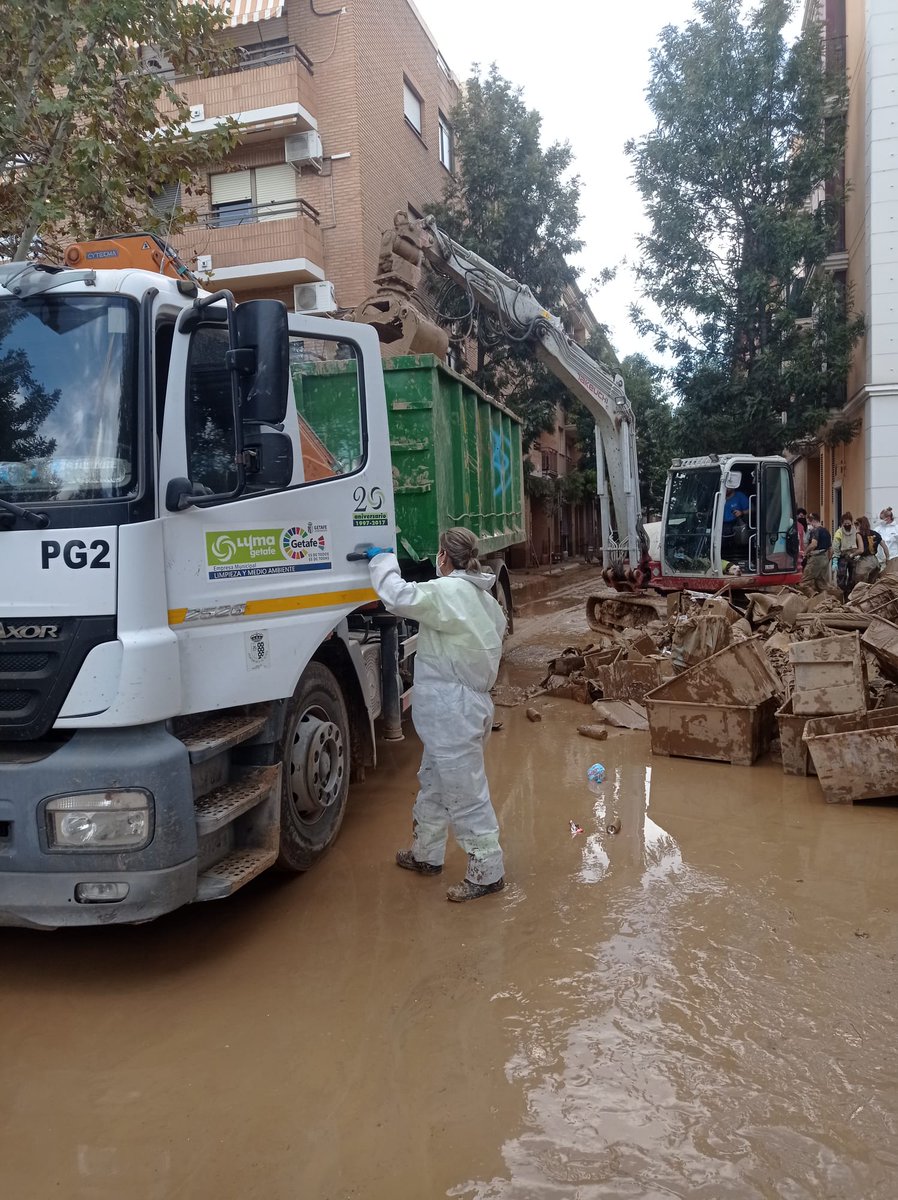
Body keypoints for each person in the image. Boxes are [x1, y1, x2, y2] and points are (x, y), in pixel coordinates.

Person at [366, 528, 507, 903]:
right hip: (468, 706)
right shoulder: (485, 600)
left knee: (465, 792)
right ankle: (425, 853)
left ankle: (487, 870)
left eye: (438, 553)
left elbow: (398, 597)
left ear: (444, 556)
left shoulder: (449, 593)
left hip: (452, 710)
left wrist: (381, 562)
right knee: (435, 782)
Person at [800, 513, 832, 593]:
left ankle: (812, 599)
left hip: (815, 559)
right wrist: (827, 559)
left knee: (803, 582)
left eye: (809, 523)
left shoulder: (815, 531)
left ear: (813, 520)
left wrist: (805, 552)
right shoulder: (826, 531)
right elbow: (831, 549)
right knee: (822, 584)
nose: (809, 526)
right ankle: (828, 601)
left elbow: (814, 544)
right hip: (824, 558)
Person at [855, 515, 888, 586]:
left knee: (860, 585)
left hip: (865, 562)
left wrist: (852, 555)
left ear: (859, 524)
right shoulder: (875, 533)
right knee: (872, 586)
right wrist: (887, 559)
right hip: (875, 562)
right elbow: (885, 547)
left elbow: (861, 550)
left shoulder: (859, 534)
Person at [832, 511, 857, 596]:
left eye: (848, 523)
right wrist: (835, 560)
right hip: (843, 557)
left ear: (851, 522)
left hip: (854, 557)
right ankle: (842, 594)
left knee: (853, 578)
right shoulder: (839, 533)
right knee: (841, 576)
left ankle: (850, 594)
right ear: (842, 523)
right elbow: (835, 547)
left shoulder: (855, 531)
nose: (847, 525)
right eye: (845, 523)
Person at [875, 507, 898, 576]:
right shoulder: (878, 529)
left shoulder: (896, 528)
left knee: (892, 577)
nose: (881, 520)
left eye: (882, 518)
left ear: (888, 518)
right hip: (881, 559)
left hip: (893, 558)